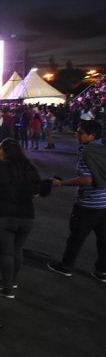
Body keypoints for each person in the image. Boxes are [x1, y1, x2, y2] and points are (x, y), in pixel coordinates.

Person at [0, 139, 41, 298]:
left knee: (6, 252)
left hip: (1, 215)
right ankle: (12, 281)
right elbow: (36, 193)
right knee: (17, 248)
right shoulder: (29, 169)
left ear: (5, 152)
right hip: (26, 215)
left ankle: (7, 289)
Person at [48, 120, 106, 282]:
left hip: (89, 204)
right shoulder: (103, 149)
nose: (77, 135)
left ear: (91, 136)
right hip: (104, 203)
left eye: (80, 133)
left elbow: (87, 180)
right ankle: (102, 271)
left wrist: (63, 183)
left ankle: (66, 266)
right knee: (103, 240)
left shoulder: (87, 153)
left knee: (76, 237)